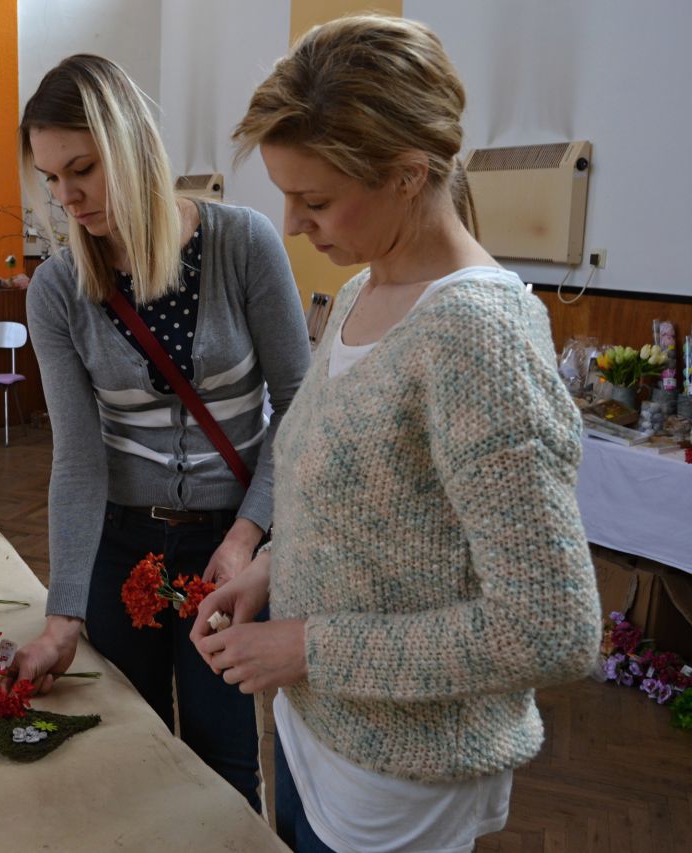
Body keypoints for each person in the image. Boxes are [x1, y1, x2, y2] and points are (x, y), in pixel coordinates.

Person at [190, 15, 602, 852]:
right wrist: (272, 568)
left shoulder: (475, 336)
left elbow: (550, 625)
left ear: (409, 174)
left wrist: (310, 648)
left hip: (401, 775)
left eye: (315, 200)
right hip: (319, 734)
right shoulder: (363, 290)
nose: (292, 224)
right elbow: (371, 508)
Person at [7, 54, 311, 811]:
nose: (66, 198)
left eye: (82, 169)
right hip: (124, 542)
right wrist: (63, 614)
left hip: (229, 541)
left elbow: (300, 409)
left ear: (134, 145)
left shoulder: (242, 244)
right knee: (127, 746)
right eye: (50, 178)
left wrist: (247, 535)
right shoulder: (58, 290)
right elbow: (79, 458)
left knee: (223, 759)